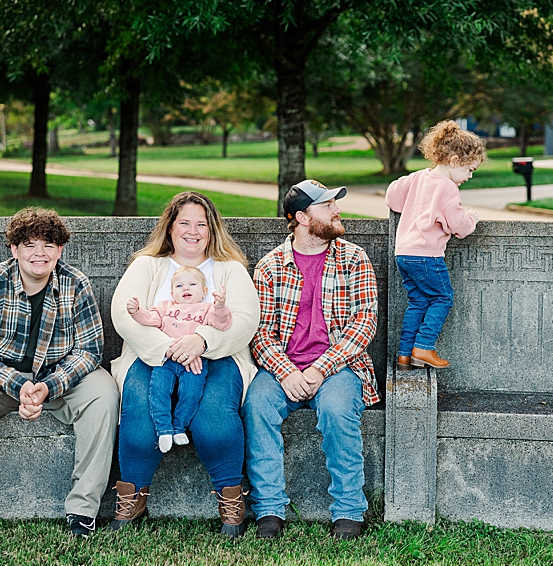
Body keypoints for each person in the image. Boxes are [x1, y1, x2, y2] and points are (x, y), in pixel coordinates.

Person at [0, 207, 119, 538]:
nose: (40, 253)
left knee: (104, 392)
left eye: (49, 245)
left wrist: (47, 386)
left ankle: (82, 510)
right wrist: (16, 382)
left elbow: (90, 351)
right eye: (30, 244)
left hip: (58, 379)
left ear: (60, 250)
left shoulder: (75, 284)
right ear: (14, 249)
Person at [109, 191, 260, 538]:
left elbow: (245, 319)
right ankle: (132, 498)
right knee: (140, 411)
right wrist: (168, 349)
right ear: (170, 227)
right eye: (185, 223)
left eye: (201, 225)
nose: (193, 231)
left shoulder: (229, 270)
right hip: (152, 356)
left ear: (213, 230)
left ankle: (231, 500)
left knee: (213, 419)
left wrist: (201, 341)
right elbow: (124, 313)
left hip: (217, 357)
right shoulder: (147, 265)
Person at [243, 179, 379, 541]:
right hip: (281, 368)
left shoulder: (354, 258)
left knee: (336, 411)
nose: (337, 210)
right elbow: (259, 333)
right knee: (256, 406)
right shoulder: (271, 266)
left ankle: (349, 511)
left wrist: (321, 368)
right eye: (327, 205)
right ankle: (269, 510)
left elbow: (365, 322)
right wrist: (286, 372)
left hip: (339, 368)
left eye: (335, 203)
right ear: (302, 217)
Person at [385, 120, 484, 370]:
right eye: (470, 170)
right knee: (442, 298)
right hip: (427, 256)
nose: (470, 177)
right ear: (453, 161)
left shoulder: (419, 178)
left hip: (404, 254)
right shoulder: (447, 188)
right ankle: (424, 347)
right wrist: (472, 218)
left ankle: (405, 354)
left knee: (418, 301)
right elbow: (459, 226)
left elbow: (392, 197)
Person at [126, 266, 232, 453]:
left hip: (193, 361)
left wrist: (220, 305)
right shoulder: (166, 307)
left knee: (191, 393)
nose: (186, 288)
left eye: (192, 284)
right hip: (166, 360)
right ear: (172, 292)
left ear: (204, 291)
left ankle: (178, 427)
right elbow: (149, 319)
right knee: (158, 390)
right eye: (180, 285)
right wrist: (136, 311)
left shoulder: (207, 308)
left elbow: (222, 324)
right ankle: (163, 429)